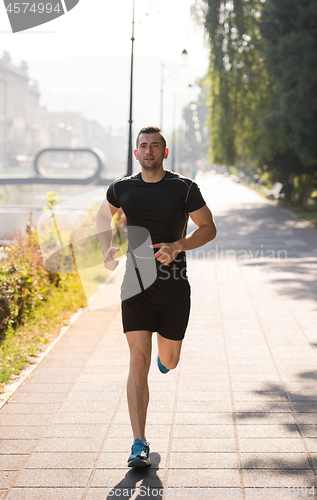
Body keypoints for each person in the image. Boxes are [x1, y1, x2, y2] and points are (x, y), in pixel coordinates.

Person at [96, 126, 217, 468]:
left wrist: (178, 245)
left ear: (165, 152)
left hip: (174, 288)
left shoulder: (184, 188)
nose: (148, 150)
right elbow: (102, 215)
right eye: (143, 145)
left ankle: (168, 359)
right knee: (138, 360)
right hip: (135, 285)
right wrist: (107, 249)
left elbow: (209, 227)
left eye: (155, 146)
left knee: (170, 359)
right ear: (136, 153)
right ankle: (139, 443)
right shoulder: (122, 187)